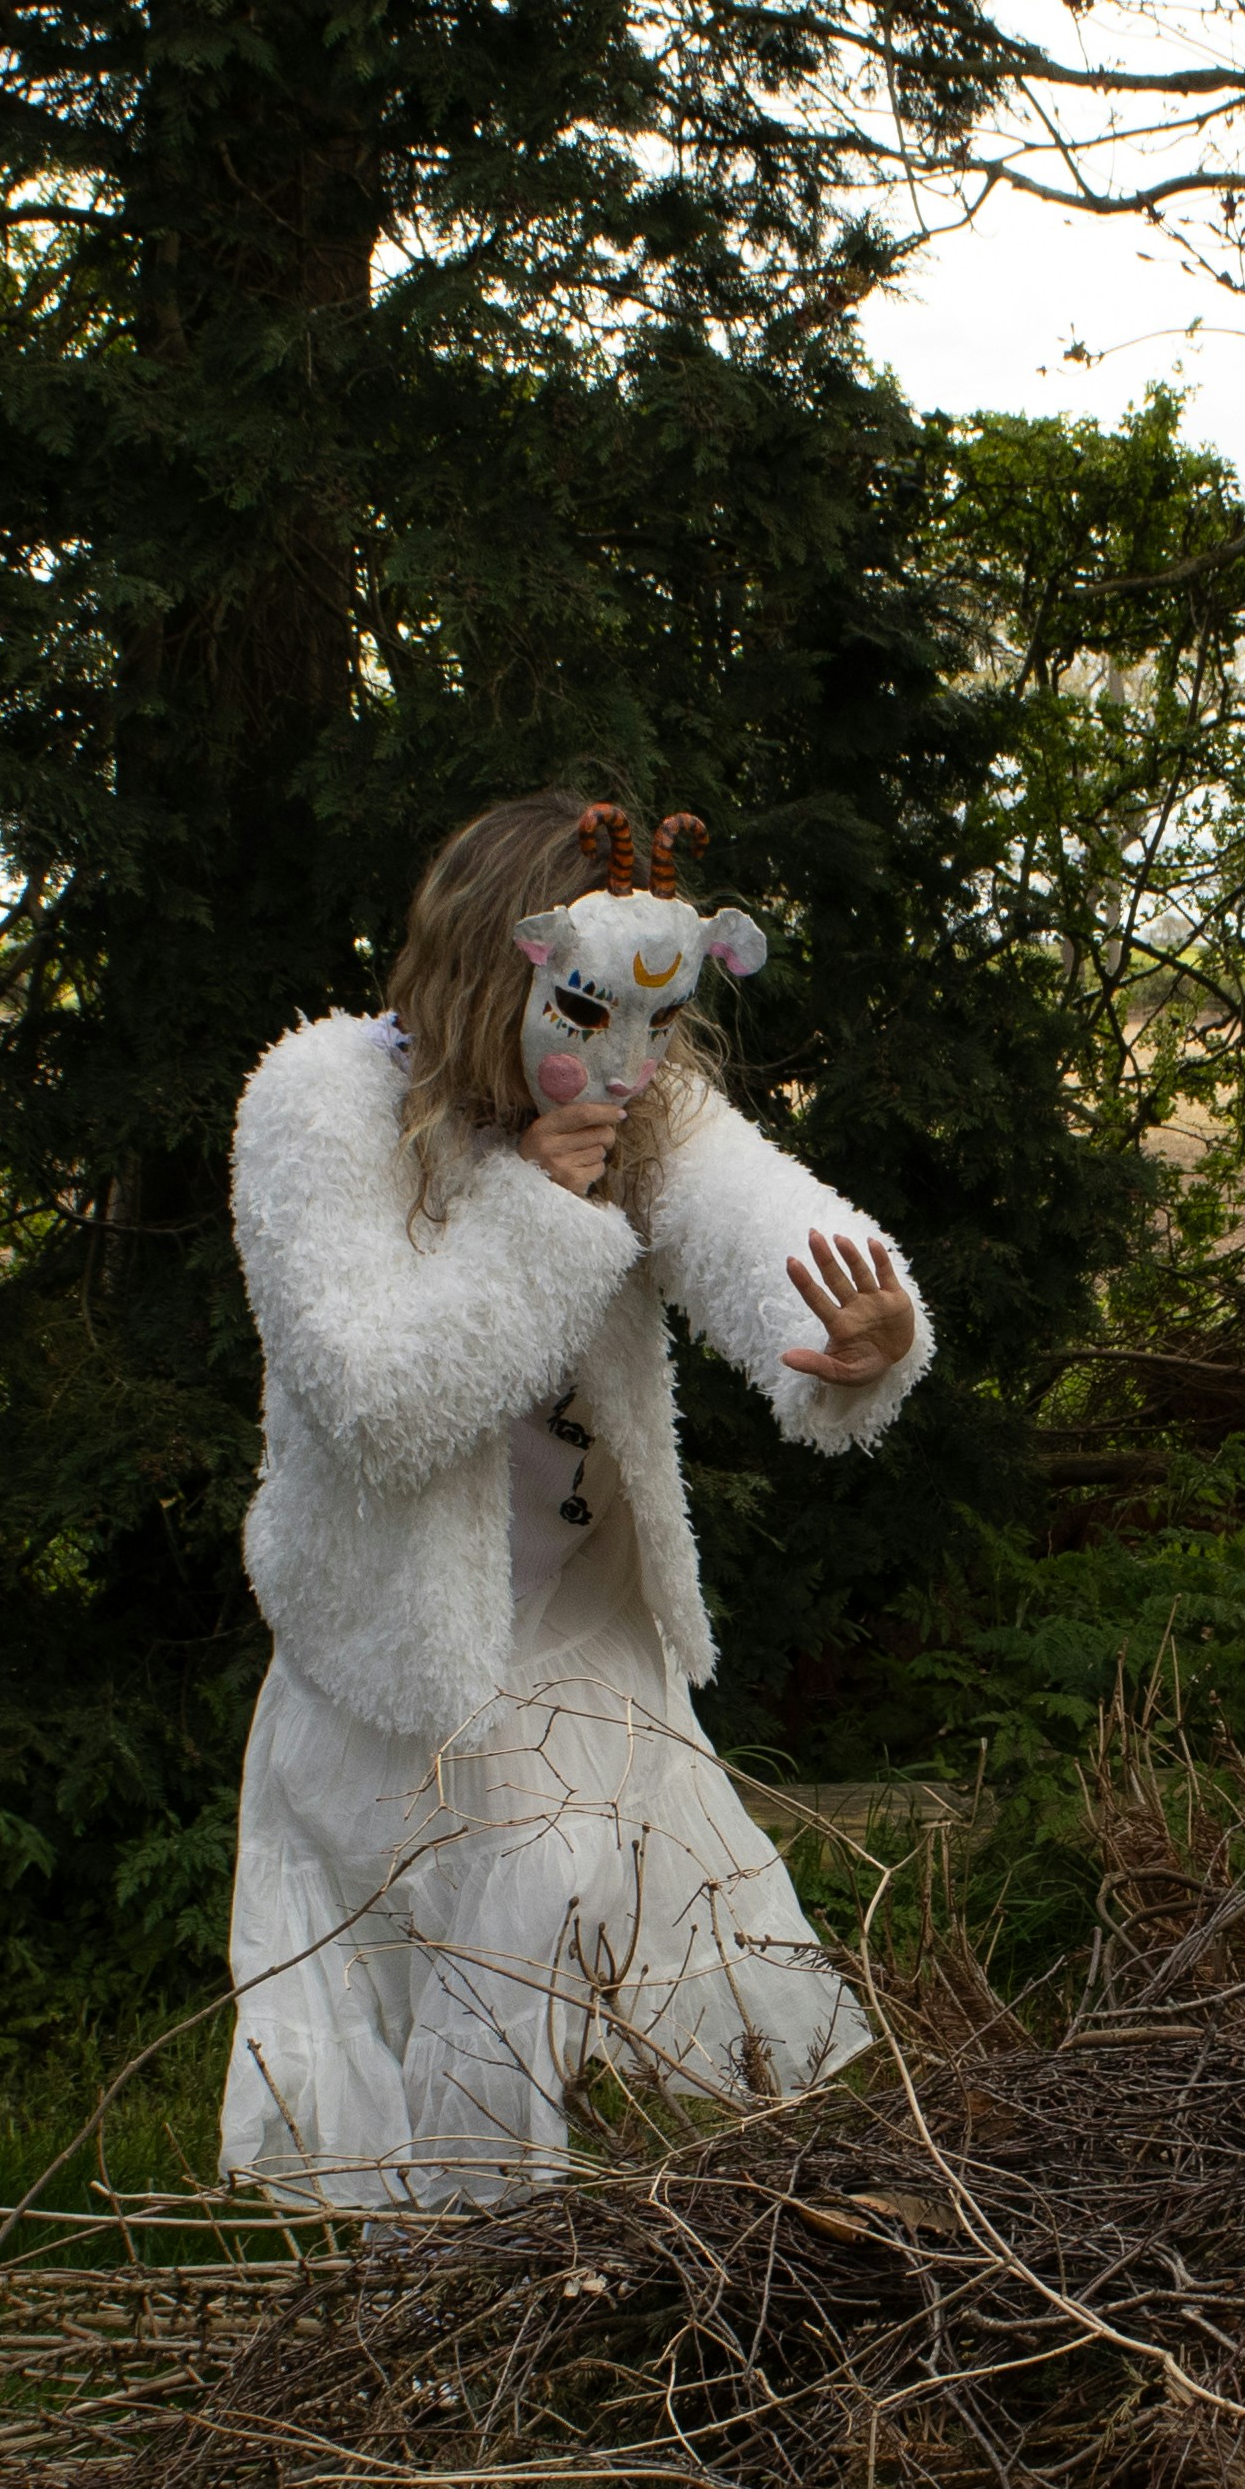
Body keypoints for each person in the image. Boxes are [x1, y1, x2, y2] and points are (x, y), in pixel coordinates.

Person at [213, 789, 929, 2200]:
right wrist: (537, 1213)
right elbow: (377, 1405)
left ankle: (605, 2305)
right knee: (449, 2037)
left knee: (608, 2002)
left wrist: (867, 1333)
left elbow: (757, 1215)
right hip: (396, 1677)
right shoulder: (320, 1103)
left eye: (661, 1025)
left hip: (585, 1644)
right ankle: (451, 2336)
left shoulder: (638, 1098)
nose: (639, 1063)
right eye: (598, 1013)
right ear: (502, 972)